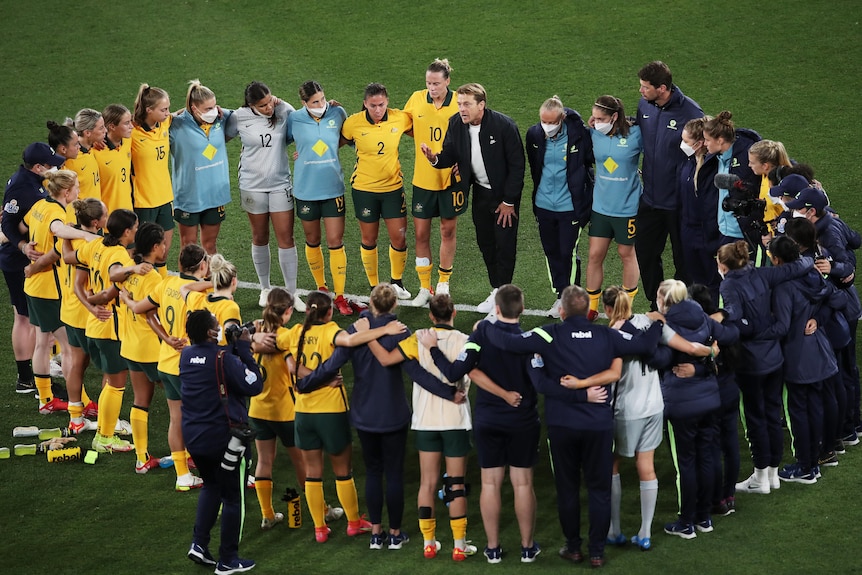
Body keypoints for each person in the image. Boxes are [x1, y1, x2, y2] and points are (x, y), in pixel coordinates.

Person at [478, 284, 664, 567]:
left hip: (563, 425)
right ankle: (598, 552)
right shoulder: (607, 335)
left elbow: (510, 343)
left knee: (567, 488)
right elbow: (646, 345)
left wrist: (485, 327)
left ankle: (574, 547)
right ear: (589, 311)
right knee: (599, 489)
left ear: (562, 311)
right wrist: (658, 324)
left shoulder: (548, 333)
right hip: (598, 426)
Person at [419, 286, 539, 563]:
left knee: (490, 483)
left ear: (496, 309)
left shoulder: (480, 336)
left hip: (489, 420)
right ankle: (527, 548)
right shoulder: (529, 340)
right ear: (521, 310)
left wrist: (433, 349)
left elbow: (453, 372)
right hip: (523, 420)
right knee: (522, 484)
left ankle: (493, 549)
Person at [289, 291, 407, 543]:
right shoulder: (396, 330)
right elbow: (414, 369)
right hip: (363, 411)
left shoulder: (299, 332)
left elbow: (324, 364)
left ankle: (341, 531)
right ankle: (378, 530)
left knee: (335, 472)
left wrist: (304, 384)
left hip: (332, 412)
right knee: (375, 473)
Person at [717, 239, 813, 494]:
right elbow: (803, 264)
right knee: (772, 414)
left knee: (755, 418)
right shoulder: (763, 273)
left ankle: (761, 476)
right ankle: (772, 475)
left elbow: (738, 320)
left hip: (751, 364)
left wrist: (722, 320)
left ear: (724, 266)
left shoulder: (729, 285)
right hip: (775, 359)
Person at [421, 83, 525, 314]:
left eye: (466, 104)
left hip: (504, 198)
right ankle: (497, 289)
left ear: (481, 105)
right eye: (459, 104)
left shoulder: (504, 126)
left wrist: (509, 202)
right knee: (486, 243)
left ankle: (503, 294)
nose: (461, 108)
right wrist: (435, 159)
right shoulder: (456, 124)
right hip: (480, 193)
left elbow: (518, 166)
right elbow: (450, 153)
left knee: (504, 246)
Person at [652, 280, 738, 540]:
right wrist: (707, 355)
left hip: (682, 404)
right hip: (710, 399)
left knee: (686, 464)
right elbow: (730, 335)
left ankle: (687, 522)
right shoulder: (701, 316)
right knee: (708, 456)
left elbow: (661, 360)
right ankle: (705, 516)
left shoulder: (669, 327)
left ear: (665, 301)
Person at [121, 243, 209, 490]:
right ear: (202, 266)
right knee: (204, 419)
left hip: (166, 361)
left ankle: (183, 473)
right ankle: (208, 469)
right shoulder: (197, 296)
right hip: (189, 366)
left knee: (176, 418)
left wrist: (127, 298)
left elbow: (142, 310)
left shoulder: (166, 283)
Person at [181, 310, 263, 574]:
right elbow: (254, 383)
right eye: (216, 326)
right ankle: (228, 559)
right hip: (226, 439)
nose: (219, 328)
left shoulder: (185, 356)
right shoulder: (223, 358)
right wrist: (244, 348)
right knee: (232, 498)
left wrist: (231, 348)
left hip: (194, 437)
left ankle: (199, 544)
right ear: (209, 332)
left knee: (210, 486)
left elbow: (211, 363)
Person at [23, 170, 98, 413]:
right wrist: (86, 235)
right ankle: (82, 402)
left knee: (43, 342)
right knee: (68, 348)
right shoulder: (57, 212)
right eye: (76, 187)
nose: (78, 190)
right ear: (66, 192)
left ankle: (46, 399)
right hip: (48, 288)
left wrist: (23, 248)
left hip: (35, 288)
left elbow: (22, 226)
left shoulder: (38, 205)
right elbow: (57, 232)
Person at [69, 208, 143, 451]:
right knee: (116, 384)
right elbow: (114, 275)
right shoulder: (118, 255)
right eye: (135, 227)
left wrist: (64, 236)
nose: (137, 230)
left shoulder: (97, 246)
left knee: (111, 382)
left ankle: (105, 428)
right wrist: (129, 271)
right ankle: (105, 437)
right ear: (125, 231)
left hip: (94, 325)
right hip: (111, 326)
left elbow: (69, 258)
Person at [769, 236, 840, 483]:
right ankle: (817, 460)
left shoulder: (783, 287)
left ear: (777, 260)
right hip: (820, 351)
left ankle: (806, 467)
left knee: (799, 412)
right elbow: (833, 299)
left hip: (798, 357)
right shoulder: (812, 275)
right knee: (815, 408)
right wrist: (818, 318)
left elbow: (782, 327)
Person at [226, 81, 302, 310]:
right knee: (260, 236)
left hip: (280, 183)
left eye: (270, 101)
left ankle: (292, 292)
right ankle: (265, 288)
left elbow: (301, 128)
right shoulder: (238, 117)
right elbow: (220, 137)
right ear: (251, 105)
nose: (269, 107)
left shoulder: (284, 110)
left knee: (286, 238)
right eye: (262, 105)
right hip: (251, 185)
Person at [634, 61, 703, 309]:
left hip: (679, 203)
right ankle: (657, 301)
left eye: (645, 87)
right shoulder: (645, 105)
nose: (640, 91)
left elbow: (704, 155)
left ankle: (684, 306)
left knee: (683, 259)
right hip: (650, 198)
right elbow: (640, 127)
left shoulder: (692, 113)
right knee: (644, 252)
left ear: (662, 88)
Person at [1, 142, 66, 394]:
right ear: (38, 167)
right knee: (25, 318)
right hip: (19, 260)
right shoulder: (21, 185)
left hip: (27, 257)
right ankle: (28, 378)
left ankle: (35, 375)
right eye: (51, 165)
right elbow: (7, 224)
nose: (55, 168)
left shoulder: (32, 181)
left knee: (31, 320)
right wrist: (23, 246)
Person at [341, 83, 413, 300]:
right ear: (365, 104)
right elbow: (335, 141)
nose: (378, 109)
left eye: (381, 104)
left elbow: (422, 129)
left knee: (399, 238)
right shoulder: (353, 123)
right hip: (364, 190)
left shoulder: (400, 118)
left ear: (387, 102)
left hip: (392, 189)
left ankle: (396, 282)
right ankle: (374, 286)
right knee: (369, 238)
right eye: (373, 105)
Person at [287, 80, 354, 316]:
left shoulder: (337, 112)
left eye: (323, 99)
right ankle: (322, 288)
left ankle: (341, 296)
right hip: (305, 190)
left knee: (336, 241)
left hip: (333, 188)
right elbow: (280, 142)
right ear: (303, 103)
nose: (321, 104)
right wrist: (297, 153)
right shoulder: (294, 118)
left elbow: (349, 136)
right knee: (312, 239)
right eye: (315, 102)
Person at [525, 96, 593, 318]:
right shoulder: (534, 135)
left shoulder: (578, 135)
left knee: (568, 252)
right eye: (543, 121)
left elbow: (591, 161)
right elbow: (536, 168)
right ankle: (560, 297)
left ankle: (571, 299)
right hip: (544, 205)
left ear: (562, 118)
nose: (547, 126)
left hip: (570, 207)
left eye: (552, 122)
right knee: (551, 252)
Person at [403, 59, 463, 305]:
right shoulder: (416, 99)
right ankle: (424, 288)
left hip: (451, 179)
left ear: (447, 81)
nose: (432, 88)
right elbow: (403, 124)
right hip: (423, 178)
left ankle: (443, 282)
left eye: (437, 83)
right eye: (428, 83)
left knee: (447, 230)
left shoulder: (459, 102)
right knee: (420, 234)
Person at [585, 96, 642, 320]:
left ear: (615, 116)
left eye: (601, 118)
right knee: (594, 255)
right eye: (595, 117)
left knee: (626, 253)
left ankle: (626, 306)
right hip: (600, 207)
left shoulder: (636, 135)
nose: (597, 122)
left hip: (628, 207)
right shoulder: (594, 133)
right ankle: (592, 307)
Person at [119, 222, 168, 472]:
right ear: (155, 247)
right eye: (163, 243)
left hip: (130, 346)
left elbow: (121, 296)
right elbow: (153, 316)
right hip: (151, 350)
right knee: (178, 401)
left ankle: (141, 458)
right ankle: (187, 456)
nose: (166, 247)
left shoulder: (131, 269)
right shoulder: (153, 277)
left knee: (140, 401)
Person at [60, 198, 108, 433]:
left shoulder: (69, 235)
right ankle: (108, 423)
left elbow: (65, 256)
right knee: (111, 369)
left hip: (69, 310)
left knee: (78, 363)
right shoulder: (96, 244)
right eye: (105, 215)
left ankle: (75, 418)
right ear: (97, 222)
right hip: (90, 314)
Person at [170, 80, 232, 254]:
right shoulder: (176, 125)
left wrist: (222, 111)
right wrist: (175, 114)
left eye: (214, 106)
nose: (213, 111)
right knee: (189, 248)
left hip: (215, 195)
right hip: (189, 197)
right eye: (207, 109)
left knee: (210, 246)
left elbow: (244, 117)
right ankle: (190, 282)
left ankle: (209, 282)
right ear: (193, 108)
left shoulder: (221, 119)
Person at [702, 111, 762, 255]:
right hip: (724, 229)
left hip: (742, 232)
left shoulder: (747, 156)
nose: (704, 144)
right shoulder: (719, 156)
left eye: (707, 140)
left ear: (720, 140)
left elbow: (774, 161)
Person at [131, 83, 174, 276]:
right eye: (163, 109)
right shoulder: (131, 133)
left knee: (163, 253)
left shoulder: (164, 123)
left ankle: (161, 290)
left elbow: (181, 113)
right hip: (143, 202)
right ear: (149, 110)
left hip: (165, 199)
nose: (168, 113)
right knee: (143, 256)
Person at [678, 117, 721, 303]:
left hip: (707, 233)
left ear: (700, 142)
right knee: (696, 282)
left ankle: (716, 322)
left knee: (713, 282)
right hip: (688, 230)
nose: (682, 145)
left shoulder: (714, 168)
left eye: (686, 142)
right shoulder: (688, 162)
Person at [93, 104, 134, 213]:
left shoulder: (127, 140)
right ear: (112, 126)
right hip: (108, 219)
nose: (132, 126)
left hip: (128, 214)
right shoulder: (96, 151)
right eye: (126, 123)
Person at [63, 109, 106, 205]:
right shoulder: (71, 158)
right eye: (101, 128)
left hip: (95, 212)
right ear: (87, 133)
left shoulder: (92, 149)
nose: (105, 130)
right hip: (81, 216)